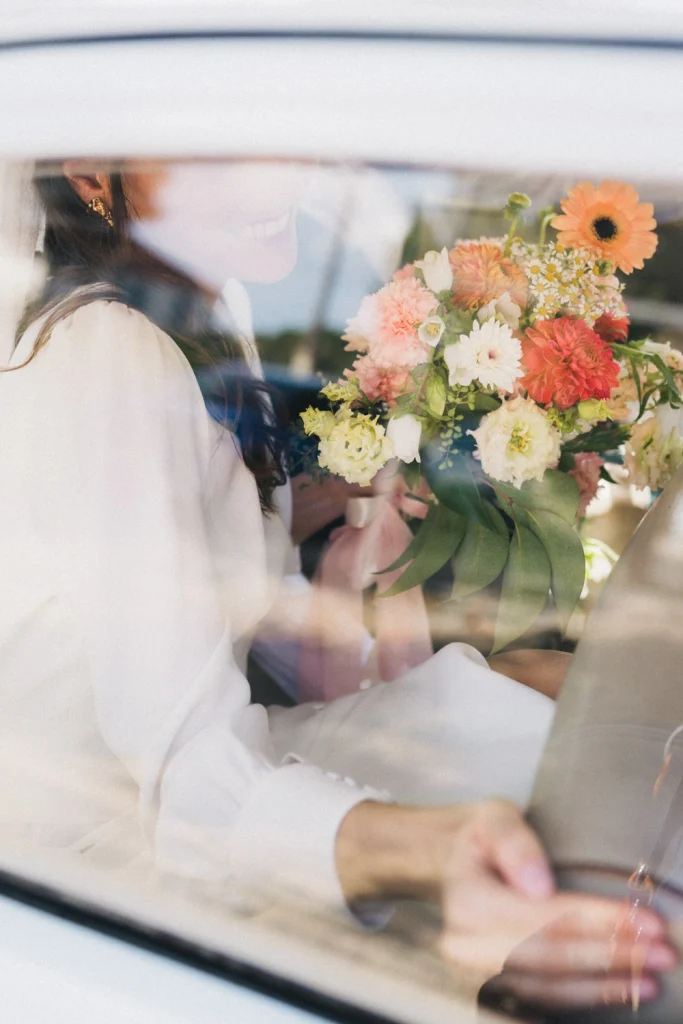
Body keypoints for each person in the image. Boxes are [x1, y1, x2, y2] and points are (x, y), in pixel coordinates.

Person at [0, 160, 674, 1012]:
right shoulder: (111, 359)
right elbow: (187, 781)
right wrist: (425, 849)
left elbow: (228, 598)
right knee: (536, 742)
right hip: (101, 866)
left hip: (202, 762)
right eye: (225, 146)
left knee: (535, 694)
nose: (281, 179)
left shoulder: (208, 307)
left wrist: (311, 513)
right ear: (92, 173)